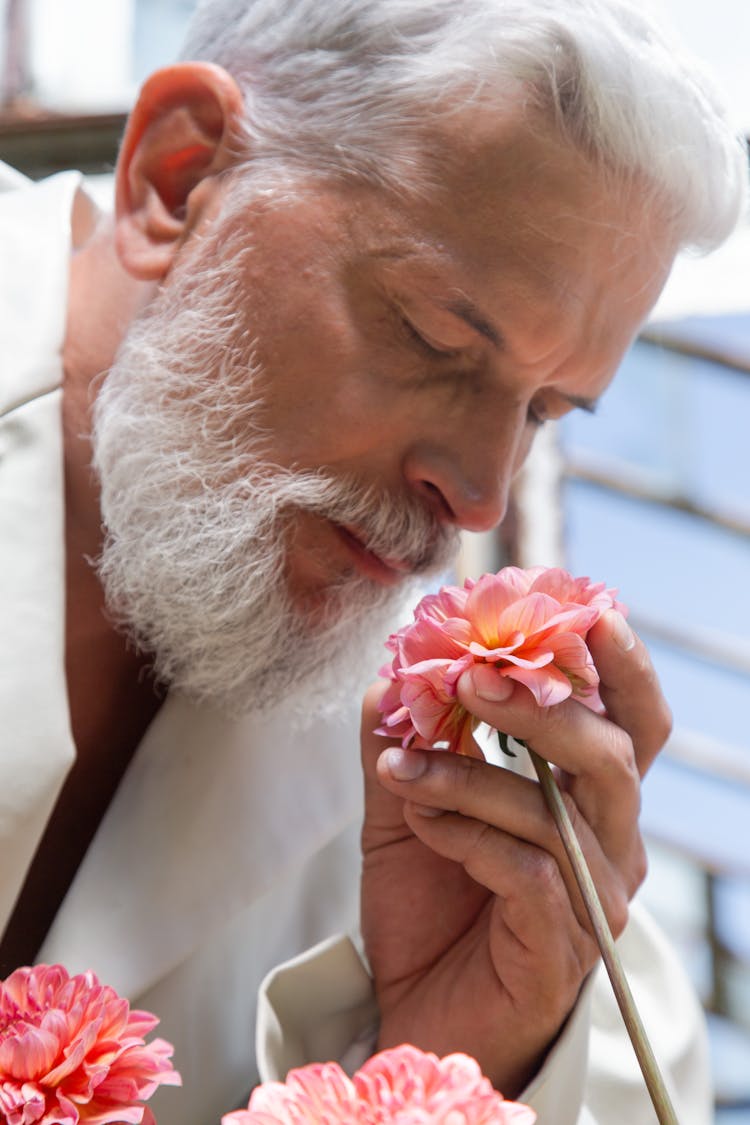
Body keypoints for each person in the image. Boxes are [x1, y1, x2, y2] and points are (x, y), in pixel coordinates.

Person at [0, 0, 746, 1121]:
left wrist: (453, 1068)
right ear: (182, 176)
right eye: (437, 338)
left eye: (544, 410)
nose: (484, 491)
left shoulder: (458, 787)